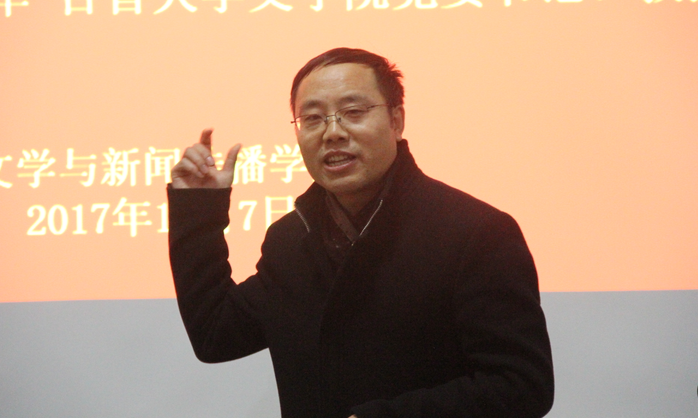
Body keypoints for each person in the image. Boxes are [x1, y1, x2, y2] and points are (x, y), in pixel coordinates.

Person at [168, 47, 554, 418]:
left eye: (353, 112)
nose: (332, 132)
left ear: (397, 121)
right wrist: (198, 208)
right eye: (313, 118)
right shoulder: (290, 240)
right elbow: (215, 336)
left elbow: (521, 385)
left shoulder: (475, 231)